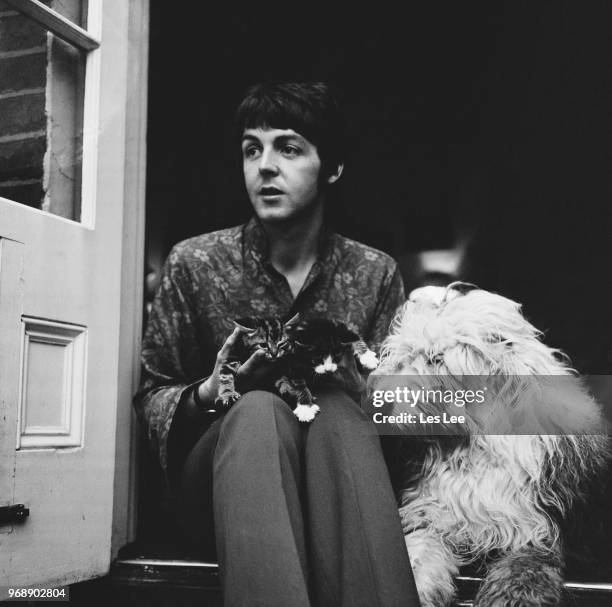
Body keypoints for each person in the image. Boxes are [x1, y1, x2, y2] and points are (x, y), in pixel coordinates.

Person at [134, 82, 420, 607]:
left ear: (331, 167)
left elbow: (408, 421)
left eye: (288, 148)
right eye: (252, 149)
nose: (264, 166)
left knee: (339, 412)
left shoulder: (374, 273)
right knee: (259, 409)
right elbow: (151, 397)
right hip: (223, 485)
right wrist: (215, 390)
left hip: (337, 484)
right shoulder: (195, 263)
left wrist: (367, 392)